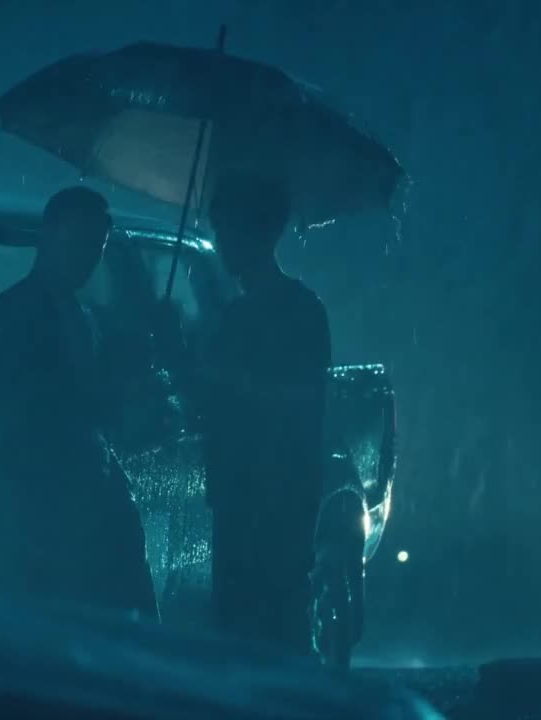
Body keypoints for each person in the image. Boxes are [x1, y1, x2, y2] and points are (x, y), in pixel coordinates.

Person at [0, 186, 159, 619]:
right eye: (79, 241)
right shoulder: (18, 310)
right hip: (39, 494)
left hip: (80, 487)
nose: (88, 257)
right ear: (49, 236)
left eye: (97, 247)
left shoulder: (83, 315)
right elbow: (25, 401)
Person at [198, 171, 332, 655]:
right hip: (243, 492)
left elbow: (299, 403)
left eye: (227, 231)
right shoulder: (239, 315)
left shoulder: (298, 312)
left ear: (260, 234)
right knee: (243, 624)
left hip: (276, 495)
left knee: (271, 624)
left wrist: (225, 380)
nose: (220, 243)